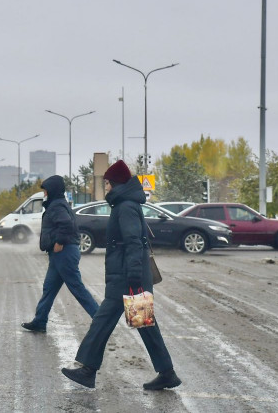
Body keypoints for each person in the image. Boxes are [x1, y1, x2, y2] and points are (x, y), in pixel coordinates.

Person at [61, 160, 181, 390]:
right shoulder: (126, 204)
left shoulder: (125, 206)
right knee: (144, 324)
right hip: (129, 275)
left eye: (106, 183)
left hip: (127, 277)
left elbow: (134, 241)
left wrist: (134, 275)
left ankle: (88, 370)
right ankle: (167, 372)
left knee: (103, 320)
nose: (105, 188)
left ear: (113, 183)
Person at [21, 175, 99, 333]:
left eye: (45, 191)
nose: (44, 194)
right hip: (60, 255)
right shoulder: (57, 204)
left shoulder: (57, 206)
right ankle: (40, 321)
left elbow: (66, 225)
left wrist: (59, 242)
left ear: (52, 190)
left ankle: (100, 319)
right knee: (49, 288)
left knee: (77, 288)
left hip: (64, 253)